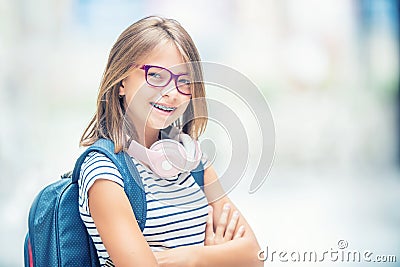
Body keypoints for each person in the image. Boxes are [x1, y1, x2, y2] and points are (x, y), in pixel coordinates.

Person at [78, 16, 262, 267]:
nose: (172, 93)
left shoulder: (194, 164)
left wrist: (190, 258)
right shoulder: (105, 173)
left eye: (184, 81)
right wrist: (220, 257)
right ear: (121, 80)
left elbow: (253, 255)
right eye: (155, 76)